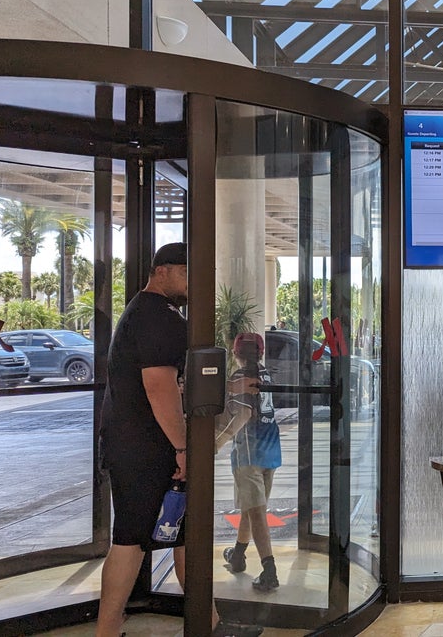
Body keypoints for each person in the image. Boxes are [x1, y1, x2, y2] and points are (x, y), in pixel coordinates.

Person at [97, 242, 260, 637]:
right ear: (162, 270)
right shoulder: (157, 317)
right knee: (130, 540)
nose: (192, 284)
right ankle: (106, 631)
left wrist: (226, 385)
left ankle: (211, 625)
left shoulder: (150, 313)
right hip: (145, 450)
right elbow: (159, 387)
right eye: (187, 273)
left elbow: (176, 383)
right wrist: (184, 448)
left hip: (139, 445)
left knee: (186, 535)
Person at [217, 332, 281, 593]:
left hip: (249, 452)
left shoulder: (239, 378)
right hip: (270, 449)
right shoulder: (265, 373)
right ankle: (238, 555)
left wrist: (218, 441)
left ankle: (269, 569)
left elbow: (243, 413)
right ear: (262, 353)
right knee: (252, 505)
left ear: (235, 353)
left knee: (255, 511)